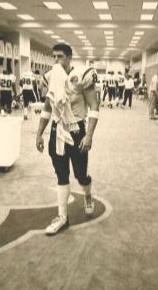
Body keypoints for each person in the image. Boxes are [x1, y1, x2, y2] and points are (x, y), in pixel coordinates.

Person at [36, 44, 100, 236]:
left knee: (80, 174)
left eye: (60, 57)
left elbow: (94, 106)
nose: (56, 61)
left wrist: (89, 135)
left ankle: (87, 194)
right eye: (54, 57)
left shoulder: (81, 76)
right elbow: (48, 108)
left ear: (69, 57)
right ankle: (62, 217)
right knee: (61, 174)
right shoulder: (51, 77)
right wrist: (39, 133)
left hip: (77, 131)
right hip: (58, 131)